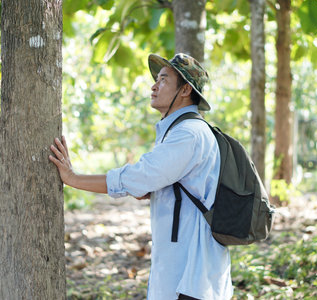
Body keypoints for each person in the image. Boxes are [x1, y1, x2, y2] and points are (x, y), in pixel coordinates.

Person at [49, 53, 233, 300]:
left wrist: (73, 178)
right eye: (157, 79)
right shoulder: (185, 131)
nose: (154, 86)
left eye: (164, 80)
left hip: (191, 275)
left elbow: (138, 177)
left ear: (185, 90)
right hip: (186, 273)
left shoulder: (188, 134)